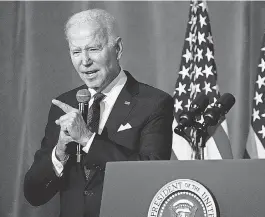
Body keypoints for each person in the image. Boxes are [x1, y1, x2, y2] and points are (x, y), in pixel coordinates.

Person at [24, 8, 173, 217]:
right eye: (76, 52)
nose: (84, 61)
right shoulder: (65, 104)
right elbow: (33, 194)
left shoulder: (154, 103)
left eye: (93, 49)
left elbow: (152, 179)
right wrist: (58, 153)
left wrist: (87, 139)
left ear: (118, 49)